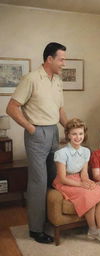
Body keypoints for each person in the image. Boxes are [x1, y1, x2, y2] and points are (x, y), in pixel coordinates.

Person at [6, 42, 68, 243]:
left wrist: (69, 128)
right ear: (49, 59)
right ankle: (35, 229)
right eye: (61, 59)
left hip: (53, 132)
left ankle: (49, 220)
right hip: (37, 133)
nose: (63, 63)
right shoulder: (31, 79)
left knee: (53, 178)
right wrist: (31, 128)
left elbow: (59, 110)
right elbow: (12, 108)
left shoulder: (57, 80)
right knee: (38, 182)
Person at [53, 118, 100, 247]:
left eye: (81, 134)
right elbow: (63, 178)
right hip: (65, 182)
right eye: (74, 134)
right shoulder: (61, 153)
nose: (78, 137)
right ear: (68, 135)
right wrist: (81, 185)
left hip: (78, 179)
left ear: (84, 134)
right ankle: (93, 230)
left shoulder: (86, 151)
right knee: (88, 194)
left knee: (98, 191)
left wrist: (87, 181)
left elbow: (84, 173)